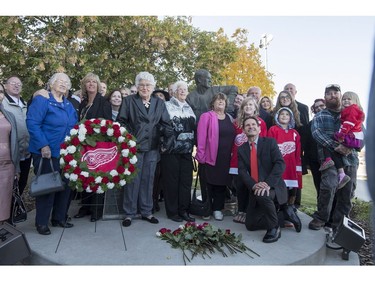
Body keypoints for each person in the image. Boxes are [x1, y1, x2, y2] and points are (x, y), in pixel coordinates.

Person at [117, 71, 173, 227]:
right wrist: (132, 137)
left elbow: (165, 123)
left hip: (153, 147)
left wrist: (166, 139)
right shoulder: (128, 101)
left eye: (148, 85)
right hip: (134, 147)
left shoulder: (159, 103)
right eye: (141, 85)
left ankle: (146, 211)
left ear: (153, 87)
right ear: (137, 86)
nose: (144, 88)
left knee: (148, 180)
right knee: (132, 180)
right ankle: (129, 213)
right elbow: (121, 121)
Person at [26, 72, 78, 235]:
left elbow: (75, 126)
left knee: (65, 186)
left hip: (67, 153)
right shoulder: (43, 100)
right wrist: (43, 145)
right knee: (48, 187)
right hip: (47, 152)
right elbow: (32, 122)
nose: (63, 84)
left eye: (66, 82)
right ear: (51, 84)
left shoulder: (69, 105)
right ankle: (41, 222)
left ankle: (59, 218)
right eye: (60, 81)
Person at [238, 116, 301, 243]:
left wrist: (267, 183)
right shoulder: (242, 149)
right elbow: (242, 171)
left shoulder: (270, 142)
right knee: (250, 225)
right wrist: (254, 185)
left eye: (253, 125)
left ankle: (274, 228)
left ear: (259, 129)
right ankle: (285, 214)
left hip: (274, 186)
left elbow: (280, 164)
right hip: (255, 187)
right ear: (244, 130)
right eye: (247, 125)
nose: (251, 127)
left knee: (262, 194)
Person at [309, 84, 360, 237]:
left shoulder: (352, 113)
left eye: (335, 93)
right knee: (328, 187)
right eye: (329, 94)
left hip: (350, 159)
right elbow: (317, 134)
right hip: (329, 160)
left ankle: (339, 224)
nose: (332, 96)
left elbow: (360, 134)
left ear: (340, 95)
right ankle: (321, 218)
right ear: (325, 98)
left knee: (347, 193)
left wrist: (350, 147)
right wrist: (338, 146)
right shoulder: (320, 116)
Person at [73, 73, 112, 222]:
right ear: (84, 85)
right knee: (84, 176)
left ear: (97, 85)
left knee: (97, 178)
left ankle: (96, 210)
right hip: (83, 146)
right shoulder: (83, 104)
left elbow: (107, 125)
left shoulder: (103, 102)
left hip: (97, 145)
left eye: (93, 82)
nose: (90, 84)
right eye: (88, 82)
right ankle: (85, 207)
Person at [196, 93, 236, 221]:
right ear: (212, 103)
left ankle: (217, 209)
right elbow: (201, 138)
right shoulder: (206, 116)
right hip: (209, 157)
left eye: (223, 100)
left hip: (225, 158)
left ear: (226, 104)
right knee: (208, 184)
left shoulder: (230, 118)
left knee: (221, 184)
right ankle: (207, 208)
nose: (220, 102)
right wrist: (200, 155)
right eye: (218, 100)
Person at [161, 81, 196, 222]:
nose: (182, 91)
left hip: (187, 151)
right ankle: (173, 212)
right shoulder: (166, 106)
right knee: (172, 182)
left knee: (186, 182)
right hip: (171, 150)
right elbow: (162, 125)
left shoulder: (189, 108)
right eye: (179, 89)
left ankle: (184, 210)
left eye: (185, 89)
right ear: (173, 92)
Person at [230, 97, 268, 224]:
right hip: (237, 159)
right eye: (245, 105)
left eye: (251, 104)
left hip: (254, 159)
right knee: (239, 185)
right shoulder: (236, 123)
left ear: (255, 107)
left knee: (251, 185)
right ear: (242, 107)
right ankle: (241, 210)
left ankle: (249, 210)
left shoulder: (261, 122)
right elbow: (231, 142)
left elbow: (264, 143)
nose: (248, 107)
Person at [320, 91, 365, 190]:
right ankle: (341, 174)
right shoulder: (349, 110)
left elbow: (348, 123)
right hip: (351, 136)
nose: (346, 101)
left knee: (328, 142)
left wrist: (341, 134)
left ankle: (328, 160)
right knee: (336, 151)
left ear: (355, 101)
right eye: (344, 99)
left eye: (349, 99)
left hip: (349, 136)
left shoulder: (352, 110)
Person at [267, 107, 302, 230]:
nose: (284, 116)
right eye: (282, 114)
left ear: (291, 118)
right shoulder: (273, 130)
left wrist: (298, 170)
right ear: (277, 116)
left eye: (287, 114)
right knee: (276, 193)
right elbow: (269, 148)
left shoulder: (295, 134)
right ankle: (276, 219)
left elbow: (297, 153)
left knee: (287, 194)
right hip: (277, 168)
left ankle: (287, 216)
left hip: (290, 169)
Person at [2, 76, 31, 196]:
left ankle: (17, 208)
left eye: (19, 84)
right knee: (9, 184)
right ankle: (7, 210)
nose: (16, 85)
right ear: (6, 86)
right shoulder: (3, 103)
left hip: (26, 152)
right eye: (13, 83)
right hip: (11, 152)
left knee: (22, 182)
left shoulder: (25, 104)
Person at [283, 83, 310, 208]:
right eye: (286, 89)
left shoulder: (303, 108)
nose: (289, 91)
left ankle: (295, 204)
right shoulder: (278, 108)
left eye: (291, 89)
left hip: (296, 145)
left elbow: (304, 128)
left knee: (296, 174)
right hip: (282, 145)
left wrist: (302, 148)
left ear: (295, 92)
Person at [0, 83, 20, 224]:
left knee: (4, 200)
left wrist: (16, 167)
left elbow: (15, 142)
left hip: (7, 166)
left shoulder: (9, 115)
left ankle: (3, 229)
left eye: (1, 92)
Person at [304, 98, 326, 200]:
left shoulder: (333, 120)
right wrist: (307, 161)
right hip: (315, 160)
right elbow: (307, 144)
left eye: (321, 106)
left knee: (330, 186)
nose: (319, 108)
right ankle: (321, 212)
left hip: (329, 159)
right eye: (316, 107)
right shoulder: (310, 124)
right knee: (318, 186)